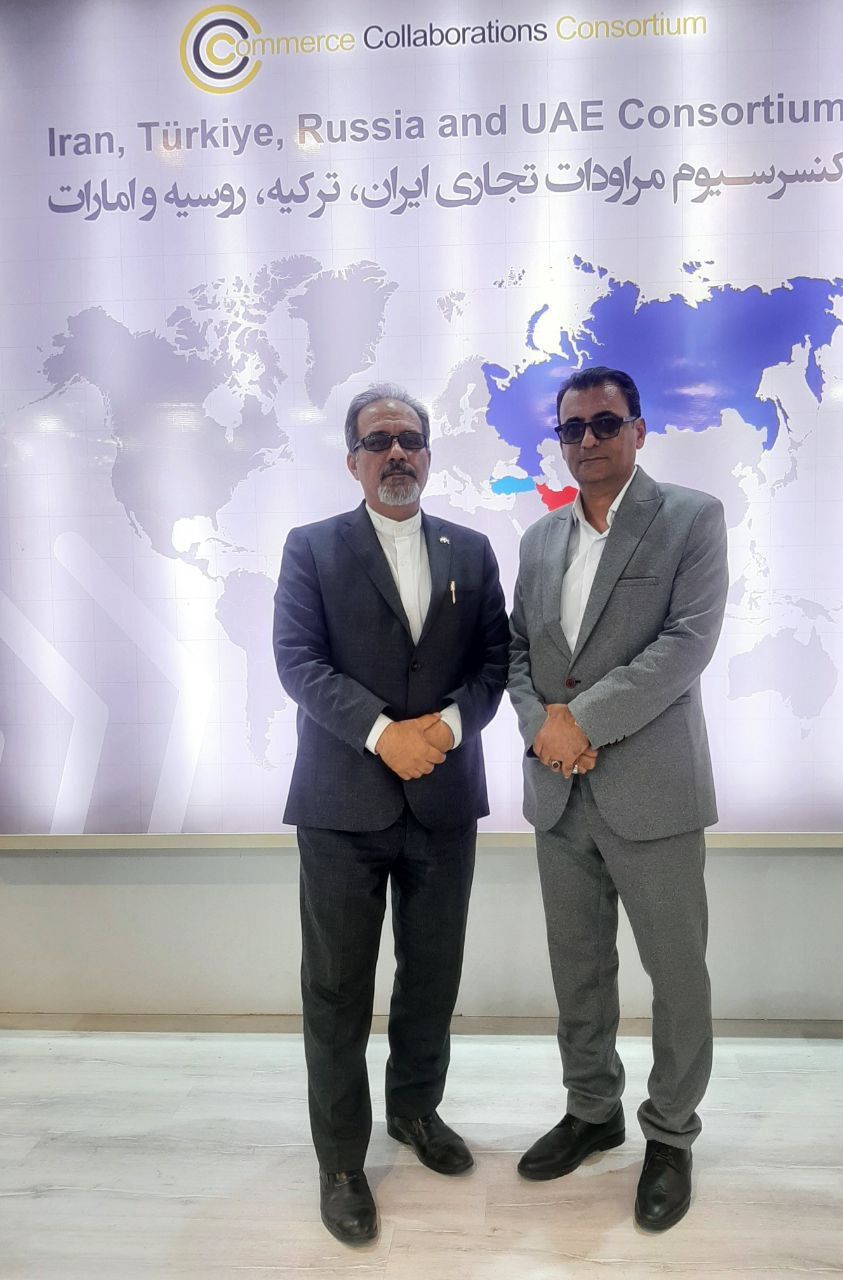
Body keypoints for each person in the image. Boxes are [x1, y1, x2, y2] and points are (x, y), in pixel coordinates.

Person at [274, 384, 509, 1246]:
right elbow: (298, 661)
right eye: (379, 441)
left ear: (429, 455)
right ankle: (341, 1162)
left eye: (410, 438)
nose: (397, 452)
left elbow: (495, 663)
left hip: (443, 800)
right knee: (337, 989)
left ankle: (415, 1111)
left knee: (432, 974)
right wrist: (383, 735)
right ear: (353, 461)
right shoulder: (311, 547)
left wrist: (441, 730)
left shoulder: (472, 551)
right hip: (342, 805)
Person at [507, 365, 728, 1231]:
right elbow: (517, 651)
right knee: (579, 969)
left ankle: (670, 1133)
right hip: (558, 793)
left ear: (638, 430)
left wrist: (583, 721)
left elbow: (686, 644)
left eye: (605, 423)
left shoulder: (691, 518)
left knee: (676, 973)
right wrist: (543, 728)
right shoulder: (538, 539)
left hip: (654, 793)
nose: (588, 440)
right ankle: (592, 1110)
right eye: (573, 428)